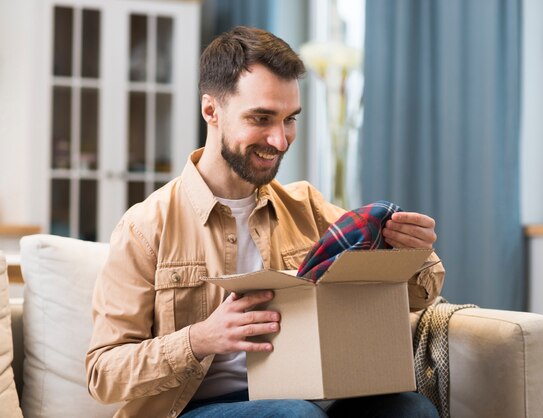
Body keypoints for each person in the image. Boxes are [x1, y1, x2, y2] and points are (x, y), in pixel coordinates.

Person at [86, 26, 445, 418]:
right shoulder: (145, 226)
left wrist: (413, 254)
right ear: (211, 111)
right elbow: (103, 373)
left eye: (290, 119)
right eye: (261, 118)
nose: (280, 140)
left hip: (304, 393)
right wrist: (200, 339)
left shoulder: (307, 206)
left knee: (410, 409)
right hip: (194, 409)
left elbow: (416, 299)